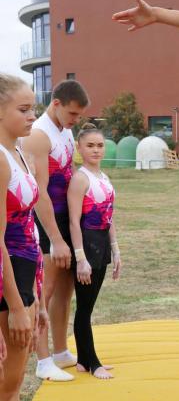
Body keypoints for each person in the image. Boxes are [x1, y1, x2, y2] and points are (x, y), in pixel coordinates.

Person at [0, 74, 48, 401]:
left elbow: (28, 228)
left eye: (33, 107)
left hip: (24, 269)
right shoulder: (0, 159)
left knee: (12, 378)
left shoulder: (16, 152)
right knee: (6, 379)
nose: (33, 115)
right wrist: (16, 304)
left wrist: (36, 293)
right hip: (8, 277)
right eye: (23, 109)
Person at [23, 79, 89, 382]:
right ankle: (43, 360)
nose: (75, 120)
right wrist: (56, 239)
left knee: (65, 289)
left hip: (64, 218)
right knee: (44, 291)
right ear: (57, 103)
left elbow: (68, 174)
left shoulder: (65, 129)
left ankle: (61, 350)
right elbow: (40, 193)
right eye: (72, 113)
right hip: (45, 221)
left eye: (79, 115)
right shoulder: (39, 135)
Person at [67, 125, 121, 379]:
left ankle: (82, 359)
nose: (96, 150)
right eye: (90, 145)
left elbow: (110, 215)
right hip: (87, 245)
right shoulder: (80, 179)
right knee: (85, 307)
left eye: (100, 145)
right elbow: (73, 221)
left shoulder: (104, 177)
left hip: (101, 244)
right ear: (79, 148)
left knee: (88, 306)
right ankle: (93, 363)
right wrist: (80, 259)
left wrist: (116, 249)